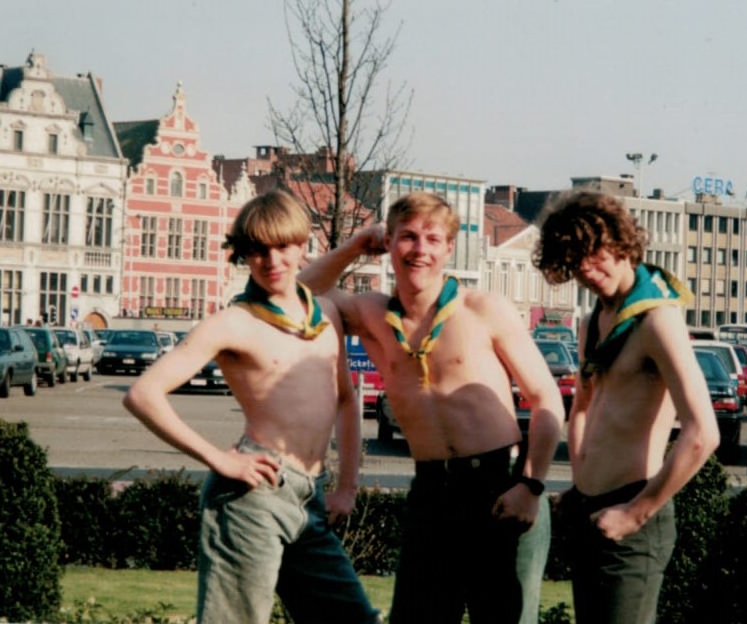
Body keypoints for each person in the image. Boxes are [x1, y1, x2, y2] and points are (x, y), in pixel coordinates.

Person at [299, 191, 565, 624]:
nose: (419, 249)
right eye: (407, 237)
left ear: (448, 248)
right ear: (388, 242)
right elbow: (298, 294)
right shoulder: (371, 314)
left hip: (502, 486)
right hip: (431, 494)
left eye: (432, 239)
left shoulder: (483, 309)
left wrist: (530, 486)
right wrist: (353, 247)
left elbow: (546, 399)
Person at [123, 190, 380, 624]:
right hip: (253, 495)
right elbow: (143, 395)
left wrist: (348, 487)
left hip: (310, 497)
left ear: (301, 246)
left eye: (282, 246)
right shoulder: (234, 322)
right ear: (244, 255)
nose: (272, 260)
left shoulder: (325, 314)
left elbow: (344, 399)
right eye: (258, 250)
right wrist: (221, 459)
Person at [533, 189, 720, 624]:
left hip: (632, 515)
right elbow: (583, 409)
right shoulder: (593, 322)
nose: (585, 269)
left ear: (621, 243)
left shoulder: (658, 320)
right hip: (591, 510)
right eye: (573, 260)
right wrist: (580, 484)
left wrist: (637, 513)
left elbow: (703, 433)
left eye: (593, 254)